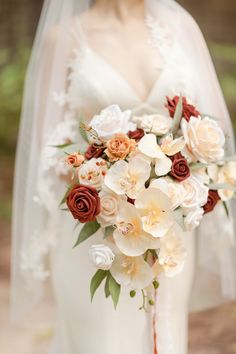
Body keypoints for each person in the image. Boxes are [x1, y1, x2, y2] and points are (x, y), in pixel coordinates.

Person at [12, 1, 236, 353]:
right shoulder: (63, 38)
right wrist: (109, 179)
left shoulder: (182, 29)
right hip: (97, 234)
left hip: (169, 233)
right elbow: (48, 150)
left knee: (165, 335)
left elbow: (213, 132)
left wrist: (177, 178)